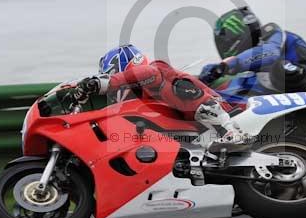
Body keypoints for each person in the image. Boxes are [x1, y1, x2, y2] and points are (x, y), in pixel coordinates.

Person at [199, 6, 306, 144]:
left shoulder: (271, 33)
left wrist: (228, 64)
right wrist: (205, 77)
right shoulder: (251, 62)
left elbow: (270, 53)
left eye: (225, 42)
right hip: (301, 91)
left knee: (277, 68)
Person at [71, 44, 246, 153]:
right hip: (193, 132)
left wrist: (102, 83)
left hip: (220, 110)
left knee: (176, 85)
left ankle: (230, 132)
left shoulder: (154, 71)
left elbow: (147, 73)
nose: (109, 80)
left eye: (108, 75)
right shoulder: (138, 95)